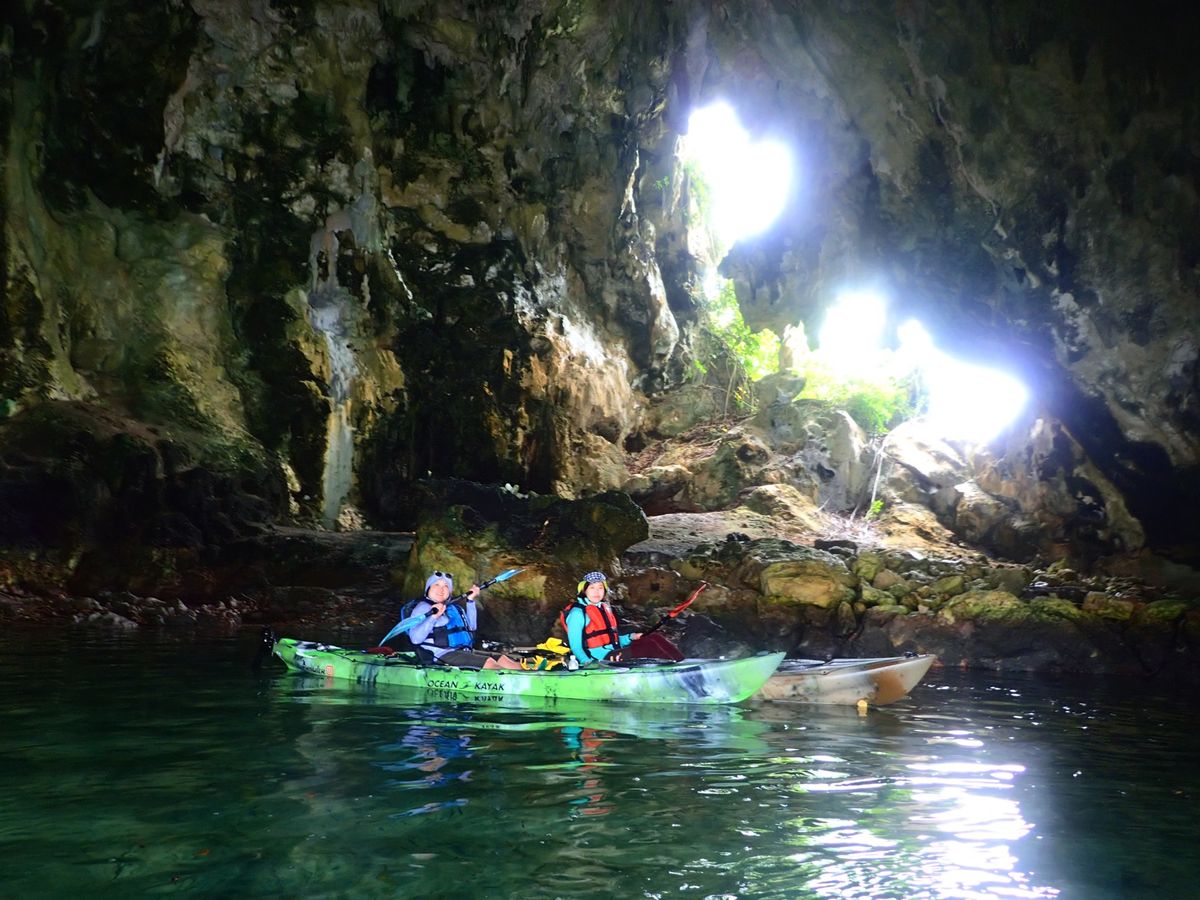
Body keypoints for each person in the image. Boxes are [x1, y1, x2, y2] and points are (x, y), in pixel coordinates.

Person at [407, 571, 521, 670]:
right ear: (428, 589)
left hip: (462, 651)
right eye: (436, 585)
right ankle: (513, 683)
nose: (441, 589)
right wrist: (433, 617)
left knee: (503, 659)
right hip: (439, 654)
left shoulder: (453, 608)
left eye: (446, 586)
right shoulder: (422, 608)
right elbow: (415, 639)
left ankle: (532, 676)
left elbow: (471, 627)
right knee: (489, 663)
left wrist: (470, 601)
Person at [561, 571, 644, 666]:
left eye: (600, 588)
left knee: (653, 639)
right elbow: (576, 647)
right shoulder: (577, 613)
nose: (597, 591)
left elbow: (612, 639)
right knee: (645, 650)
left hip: (613, 653)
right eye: (592, 587)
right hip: (597, 660)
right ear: (584, 590)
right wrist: (587, 663)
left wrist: (631, 637)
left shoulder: (604, 608)